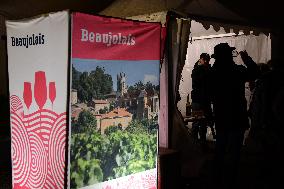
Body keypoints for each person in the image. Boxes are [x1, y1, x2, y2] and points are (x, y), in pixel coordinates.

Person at [209, 43, 258, 188]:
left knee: (221, 148)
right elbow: (255, 73)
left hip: (221, 115)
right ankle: (231, 180)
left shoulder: (213, 72)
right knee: (234, 151)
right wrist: (246, 59)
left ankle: (217, 179)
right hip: (237, 115)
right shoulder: (237, 71)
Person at [248, 59, 284, 188]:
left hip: (265, 122)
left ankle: (266, 173)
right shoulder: (272, 83)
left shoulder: (264, 83)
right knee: (268, 149)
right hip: (267, 122)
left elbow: (263, 105)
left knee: (266, 149)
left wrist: (259, 121)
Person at [191, 53, 215, 150]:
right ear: (201, 59)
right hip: (199, 100)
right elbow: (199, 82)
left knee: (203, 122)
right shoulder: (198, 70)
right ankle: (195, 143)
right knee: (197, 122)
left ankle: (201, 143)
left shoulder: (200, 69)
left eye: (207, 60)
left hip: (202, 100)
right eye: (205, 60)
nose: (206, 62)